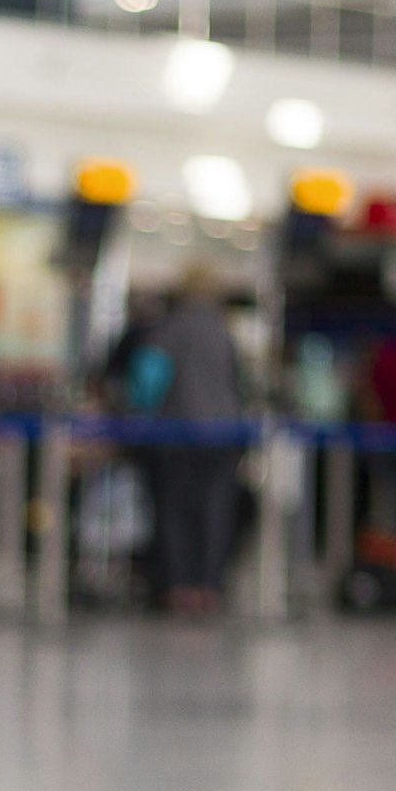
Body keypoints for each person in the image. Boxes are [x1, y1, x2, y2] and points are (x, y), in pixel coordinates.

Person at [129, 261, 250, 615]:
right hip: (224, 433)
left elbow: (147, 379)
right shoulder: (223, 330)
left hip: (178, 431)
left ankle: (181, 585)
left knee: (176, 510)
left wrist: (142, 412)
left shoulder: (171, 328)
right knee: (215, 510)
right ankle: (208, 585)